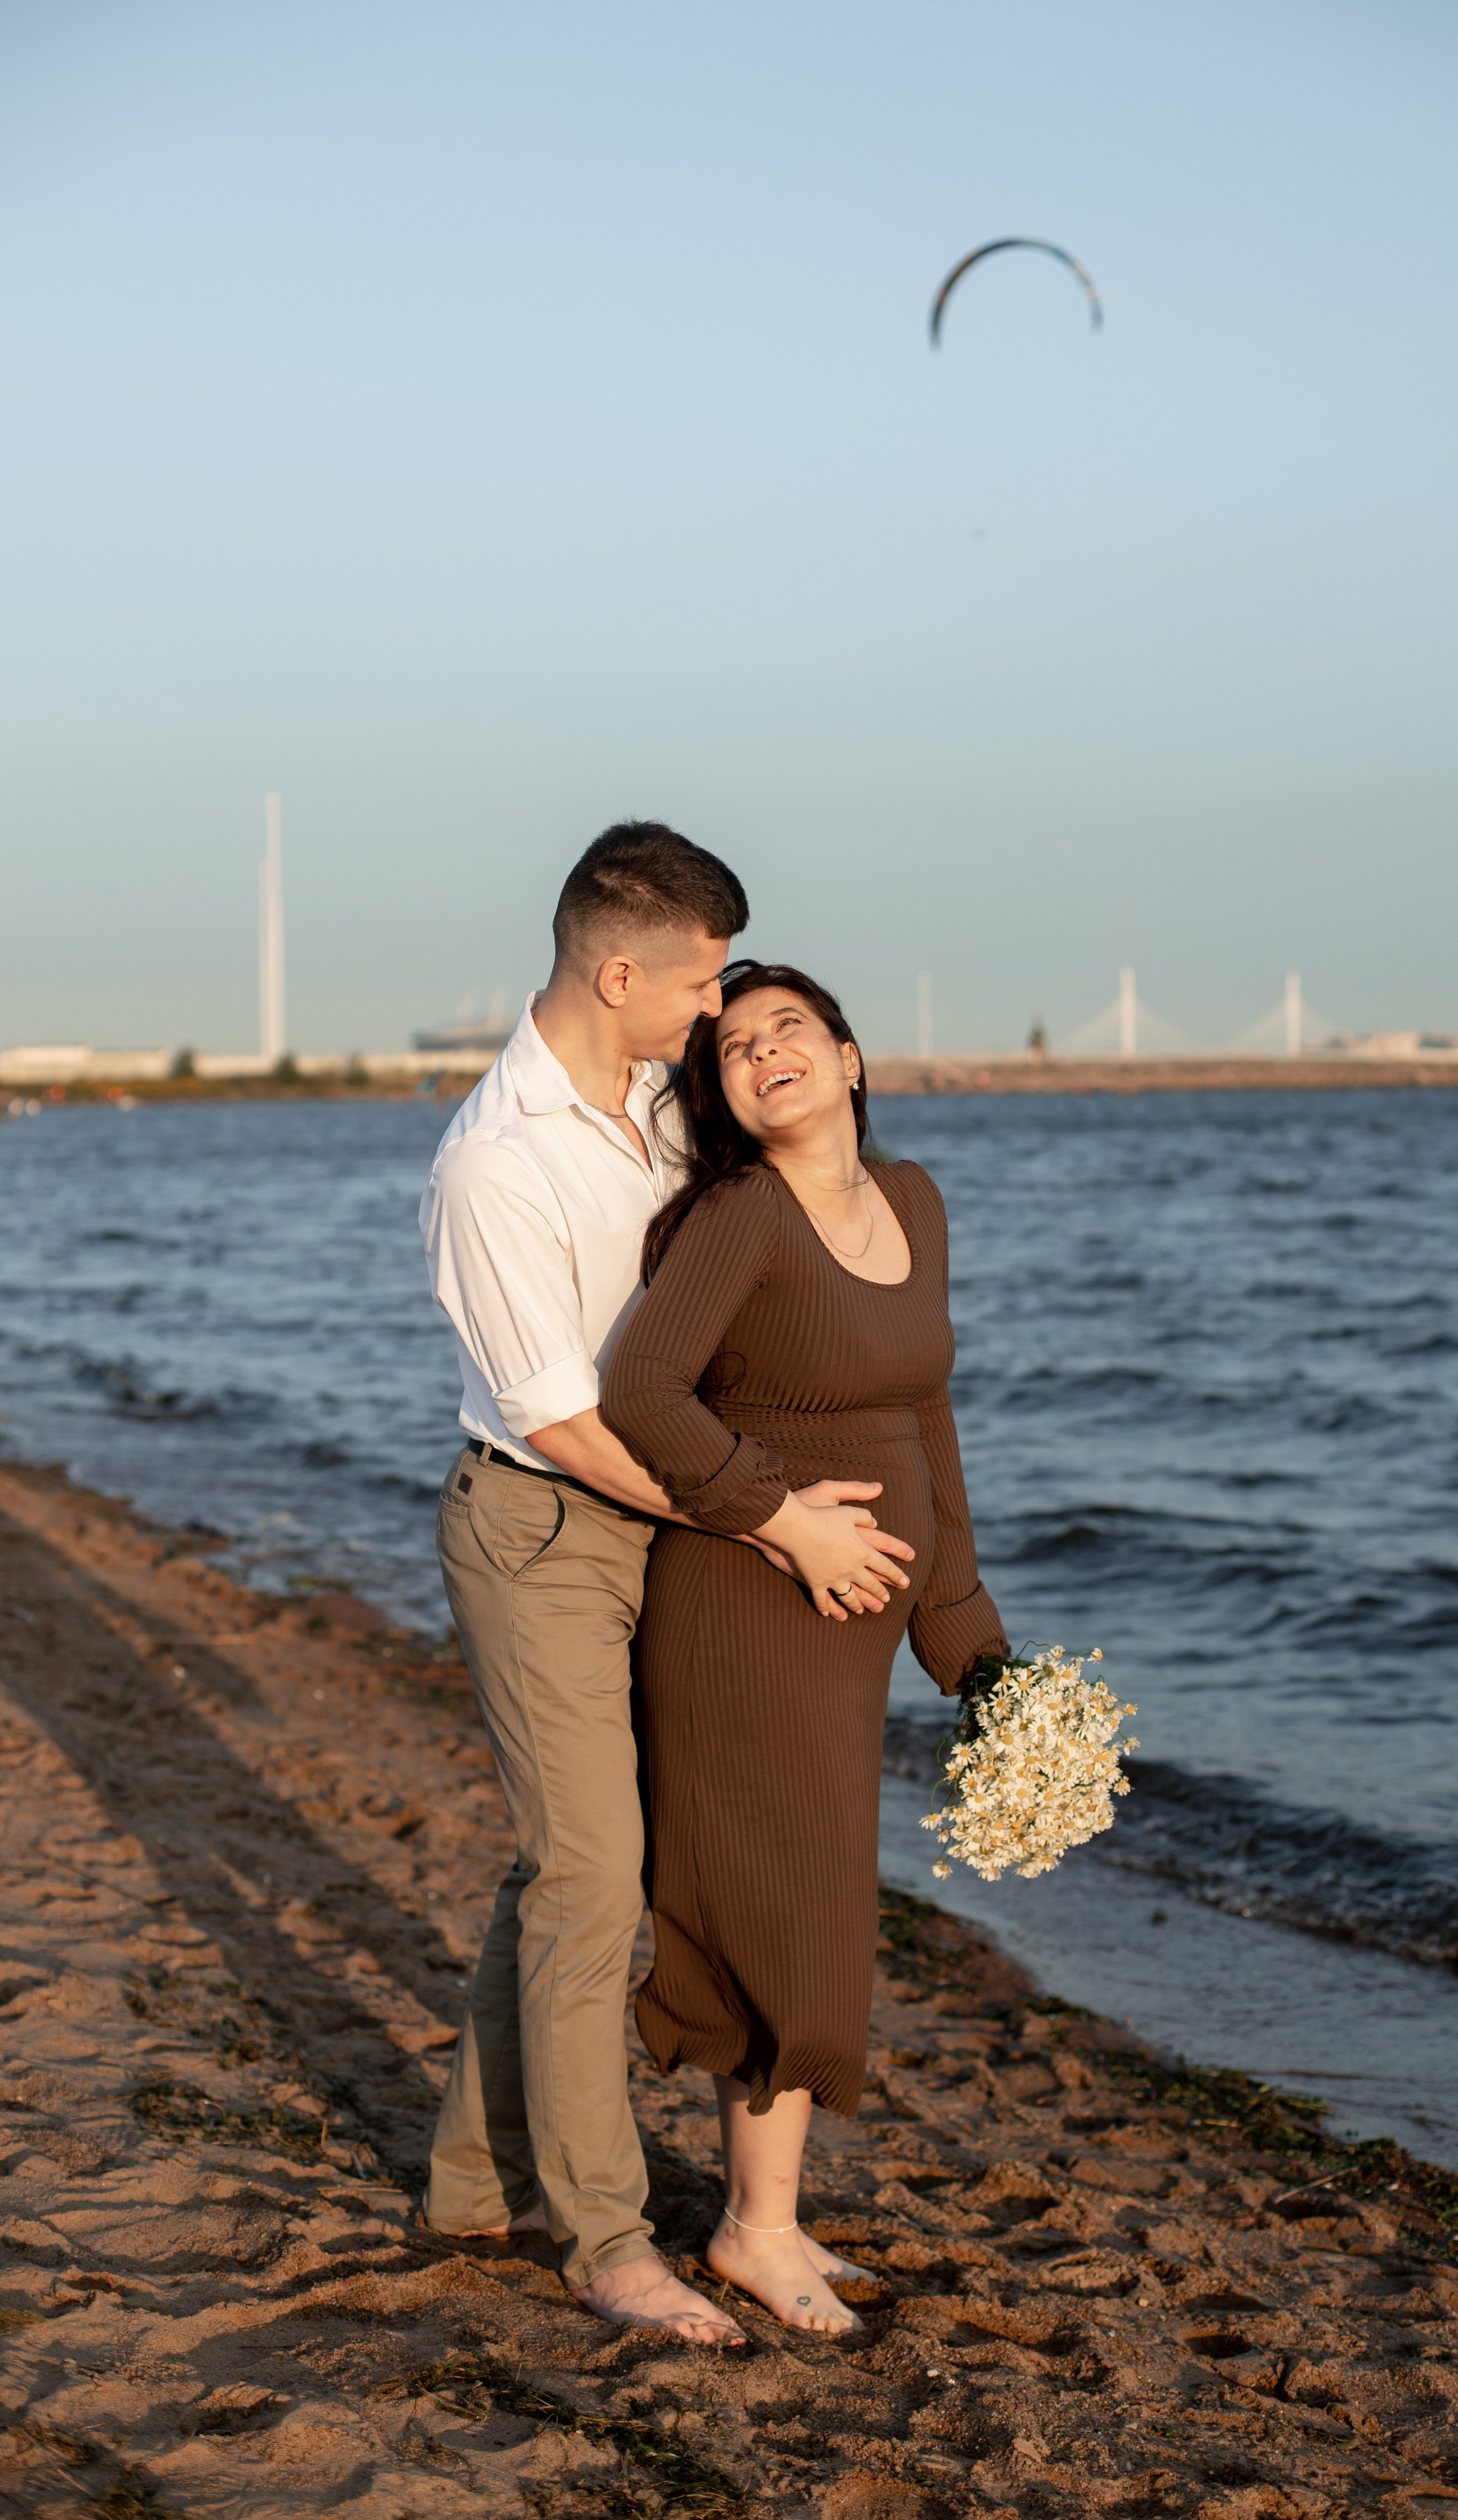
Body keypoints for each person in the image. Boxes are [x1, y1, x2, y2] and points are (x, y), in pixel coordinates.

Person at [419, 831, 911, 2347]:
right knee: (588, 1878)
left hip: (675, 1534)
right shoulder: (495, 1161)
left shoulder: (659, 1097)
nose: (719, 1009)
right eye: (704, 979)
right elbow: (570, 1418)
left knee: (574, 1869)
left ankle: (464, 2183)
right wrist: (769, 1519)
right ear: (616, 971)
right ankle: (608, 2241)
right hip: (548, 1531)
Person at [600, 961, 1008, 2336]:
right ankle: (755, 2230)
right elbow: (639, 1389)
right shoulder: (735, 1216)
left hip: (856, 1625)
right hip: (744, 1606)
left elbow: (925, 1418)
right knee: (784, 1912)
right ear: (718, 1095)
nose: (762, 1053)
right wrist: (773, 1519)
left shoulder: (912, 1202)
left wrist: (970, 1646)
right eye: (730, 1048)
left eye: (789, 1031)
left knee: (817, 1902)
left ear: (846, 1056)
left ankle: (761, 2222)